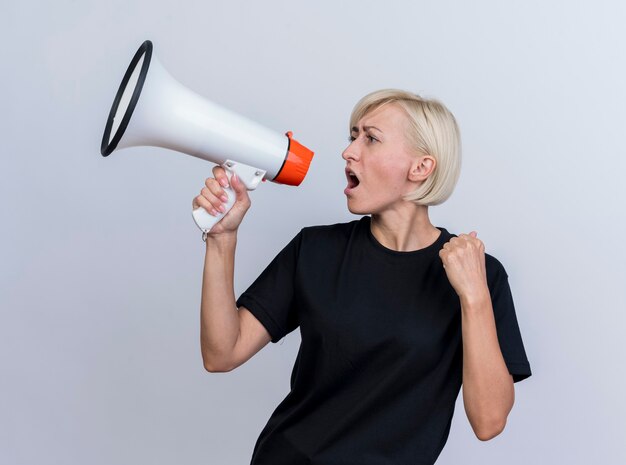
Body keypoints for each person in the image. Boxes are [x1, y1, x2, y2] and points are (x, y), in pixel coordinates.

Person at [192, 89, 532, 465]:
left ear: (420, 167)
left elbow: (489, 421)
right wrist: (222, 240)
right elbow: (222, 353)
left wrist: (474, 297)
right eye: (353, 135)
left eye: (370, 138)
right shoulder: (315, 249)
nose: (349, 151)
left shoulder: (482, 276)